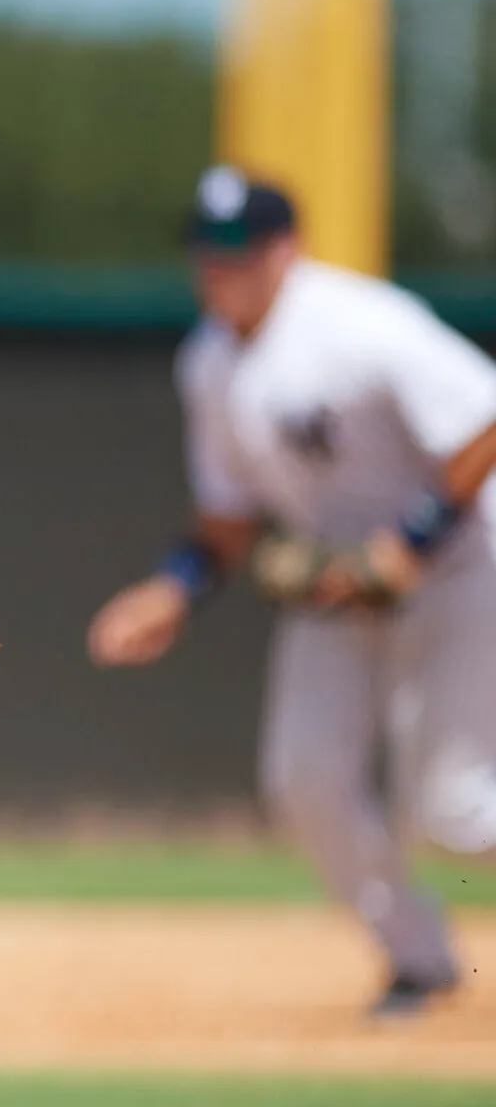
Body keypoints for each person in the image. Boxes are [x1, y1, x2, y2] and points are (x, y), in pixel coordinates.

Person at [89, 166, 496, 1019]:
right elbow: (228, 516)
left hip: (460, 565)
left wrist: (411, 542)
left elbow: (483, 419)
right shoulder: (208, 361)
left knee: (456, 815)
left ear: (288, 249)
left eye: (240, 248)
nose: (220, 266)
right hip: (337, 585)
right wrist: (175, 588)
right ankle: (419, 961)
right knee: (305, 779)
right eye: (208, 249)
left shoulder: (359, 324)